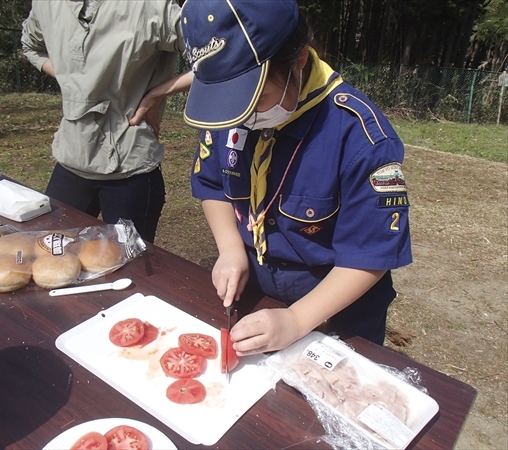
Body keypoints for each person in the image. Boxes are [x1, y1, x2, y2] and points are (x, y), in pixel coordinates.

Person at [181, 0, 412, 354]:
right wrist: (229, 248)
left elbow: (370, 254)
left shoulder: (361, 138)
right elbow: (213, 183)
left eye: (257, 98)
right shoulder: (230, 113)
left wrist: (297, 320)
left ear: (299, 59)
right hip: (256, 289)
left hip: (339, 310)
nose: (242, 118)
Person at [21, 0, 186, 243]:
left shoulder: (150, 7)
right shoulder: (48, 4)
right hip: (71, 159)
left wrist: (156, 94)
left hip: (130, 166)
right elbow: (31, 46)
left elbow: (221, 52)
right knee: (53, 256)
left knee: (130, 270)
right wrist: (73, 83)